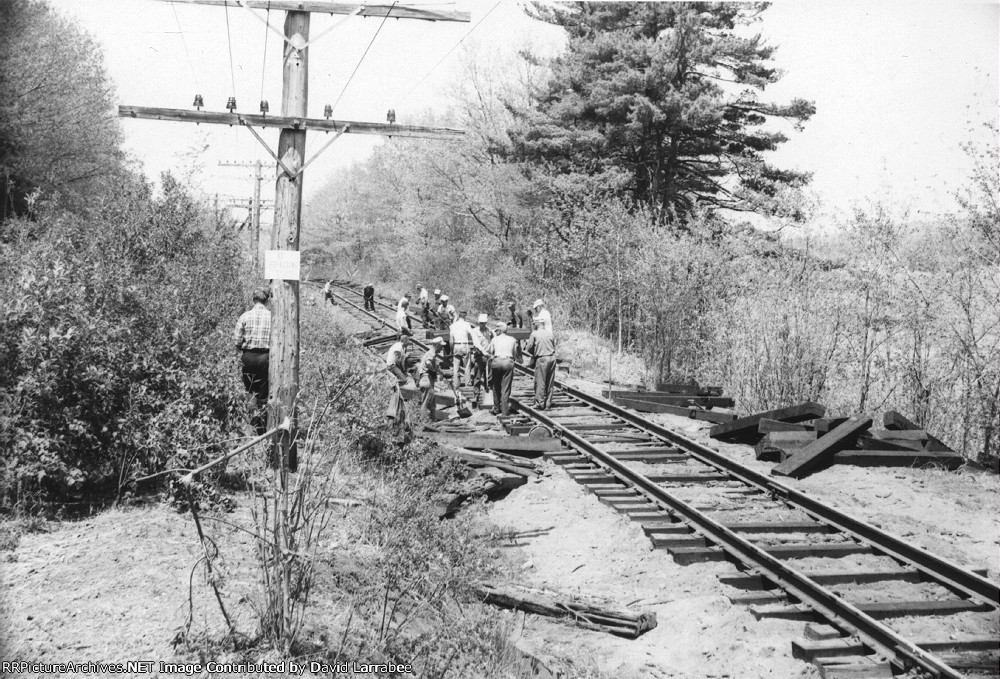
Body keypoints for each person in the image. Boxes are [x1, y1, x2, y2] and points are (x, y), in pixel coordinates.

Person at [234, 287, 272, 435]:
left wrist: (243, 346)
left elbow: (236, 340)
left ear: (253, 300)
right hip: (265, 358)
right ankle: (263, 428)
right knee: (263, 392)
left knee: (250, 389)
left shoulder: (245, 316)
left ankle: (251, 426)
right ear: (267, 300)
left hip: (248, 357)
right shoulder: (272, 316)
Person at [524, 316, 557, 410]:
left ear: (538, 323)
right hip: (552, 358)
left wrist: (534, 353)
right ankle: (548, 403)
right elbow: (554, 346)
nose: (534, 325)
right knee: (550, 382)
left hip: (542, 359)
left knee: (540, 381)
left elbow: (529, 348)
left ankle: (540, 403)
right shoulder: (550, 333)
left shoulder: (534, 334)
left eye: (534, 324)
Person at [488, 322, 518, 416]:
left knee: (496, 386)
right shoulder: (512, 340)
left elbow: (491, 352)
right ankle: (505, 411)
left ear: (499, 330)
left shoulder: (494, 339)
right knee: (505, 387)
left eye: (497, 330)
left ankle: (497, 408)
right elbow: (514, 354)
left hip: (497, 361)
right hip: (508, 362)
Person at [384, 333, 415, 424]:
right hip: (391, 366)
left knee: (404, 376)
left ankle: (397, 388)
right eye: (408, 341)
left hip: (394, 365)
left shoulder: (401, 346)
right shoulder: (398, 347)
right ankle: (394, 385)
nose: (409, 343)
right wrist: (403, 370)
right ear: (404, 341)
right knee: (404, 379)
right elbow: (398, 361)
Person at [416, 337, 446, 417]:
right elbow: (428, 363)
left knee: (431, 401)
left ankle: (432, 418)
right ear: (436, 345)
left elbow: (435, 366)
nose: (442, 348)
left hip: (427, 380)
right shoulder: (431, 353)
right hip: (426, 379)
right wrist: (433, 370)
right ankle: (423, 419)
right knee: (426, 402)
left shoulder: (432, 354)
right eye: (441, 346)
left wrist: (442, 373)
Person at [469, 313, 494, 401]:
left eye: (484, 323)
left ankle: (490, 394)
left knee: (490, 377)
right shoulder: (475, 331)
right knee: (477, 377)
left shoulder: (490, 330)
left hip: (489, 357)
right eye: (481, 323)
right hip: (479, 357)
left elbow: (494, 339)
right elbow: (476, 343)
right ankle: (476, 395)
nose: (482, 324)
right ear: (478, 323)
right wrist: (484, 352)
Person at [449, 309, 474, 389]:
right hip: (464, 345)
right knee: (467, 366)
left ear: (459, 316)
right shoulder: (467, 324)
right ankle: (467, 383)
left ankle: (456, 384)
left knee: (456, 366)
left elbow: (451, 340)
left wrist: (451, 350)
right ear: (465, 316)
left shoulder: (452, 326)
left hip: (456, 346)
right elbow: (472, 334)